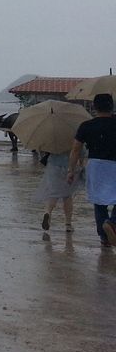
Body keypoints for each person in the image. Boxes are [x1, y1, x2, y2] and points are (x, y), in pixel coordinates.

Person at [67, 93, 116, 247]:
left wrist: (71, 170)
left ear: (95, 107)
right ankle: (112, 222)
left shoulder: (86, 126)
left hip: (96, 166)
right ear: (112, 106)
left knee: (99, 202)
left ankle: (104, 237)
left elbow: (75, 150)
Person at [35, 151, 78, 232]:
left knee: (53, 193)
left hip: (53, 165)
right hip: (68, 165)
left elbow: (45, 148)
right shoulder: (71, 142)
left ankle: (47, 212)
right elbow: (80, 151)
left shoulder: (53, 142)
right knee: (67, 195)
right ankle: (68, 224)